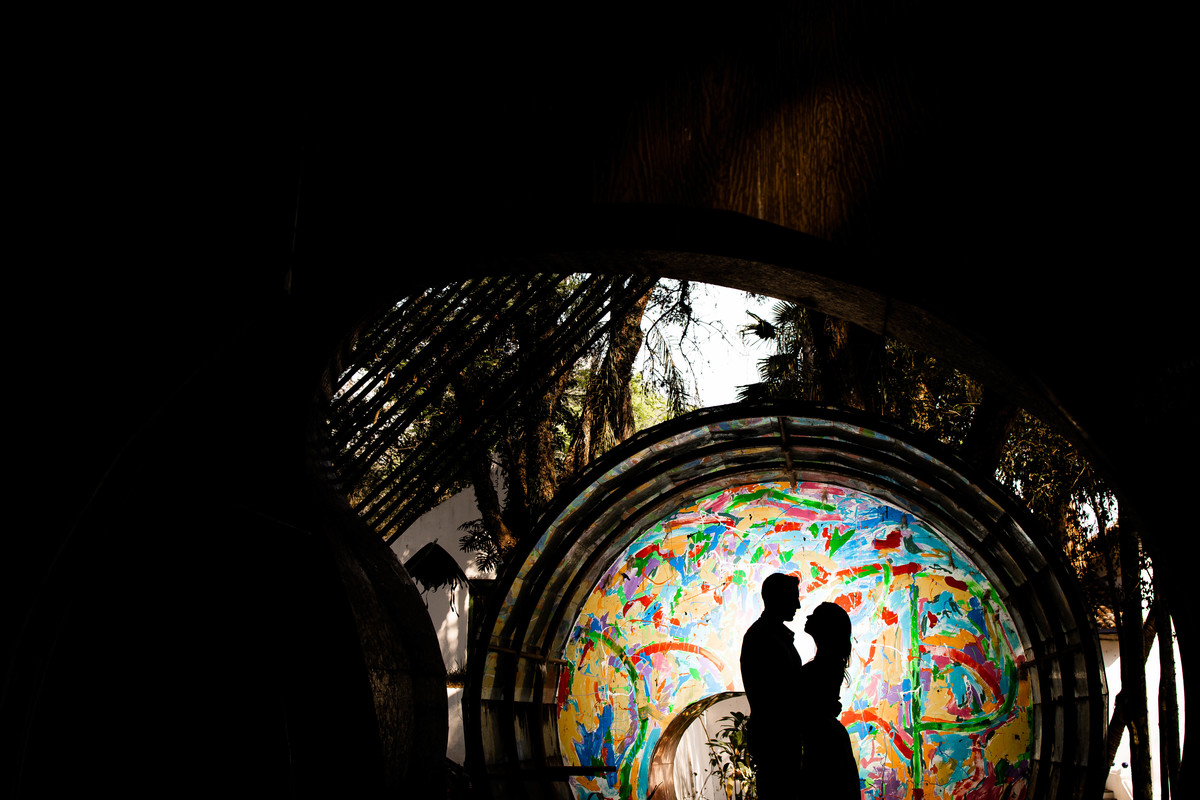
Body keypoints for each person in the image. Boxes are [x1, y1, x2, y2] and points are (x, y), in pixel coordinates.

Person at [740, 573, 804, 800]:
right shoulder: (764, 637)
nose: (798, 604)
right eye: (793, 597)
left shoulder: (766, 635)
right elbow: (776, 694)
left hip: (778, 736)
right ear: (778, 598)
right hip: (777, 739)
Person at [796, 602, 861, 798]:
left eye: (815, 615)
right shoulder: (830, 663)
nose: (808, 617)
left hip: (824, 744)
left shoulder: (824, 666)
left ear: (826, 628)